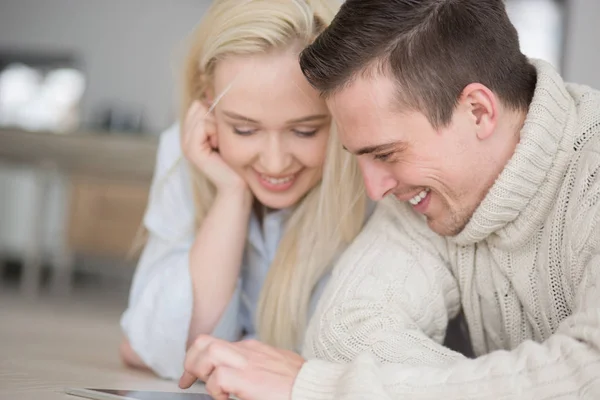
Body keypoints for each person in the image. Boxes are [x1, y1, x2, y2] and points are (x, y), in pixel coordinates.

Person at [176, 0, 600, 399]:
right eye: (361, 157)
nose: (375, 190)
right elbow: (345, 335)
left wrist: (322, 390)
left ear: (478, 112)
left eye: (386, 154)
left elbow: (589, 374)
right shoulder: (430, 198)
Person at [118, 0, 369, 380]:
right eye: (245, 129)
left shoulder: (374, 173)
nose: (274, 162)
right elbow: (164, 348)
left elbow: (357, 355)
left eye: (305, 131)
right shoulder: (188, 150)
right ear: (208, 104)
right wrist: (230, 195)